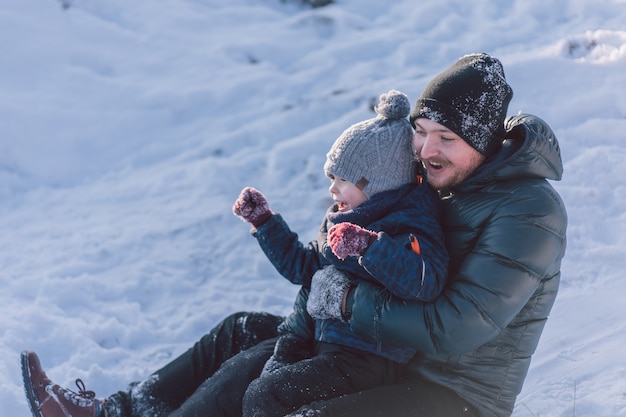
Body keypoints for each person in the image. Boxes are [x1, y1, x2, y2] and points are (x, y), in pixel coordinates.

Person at [21, 52, 567, 417]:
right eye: (421, 133)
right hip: (385, 351)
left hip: (451, 394)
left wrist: (347, 299)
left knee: (287, 402)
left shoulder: (530, 214)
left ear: (483, 141)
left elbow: (456, 328)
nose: (426, 151)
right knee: (242, 335)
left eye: (445, 137)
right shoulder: (438, 181)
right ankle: (120, 411)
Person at [232, 89, 448, 416]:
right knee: (258, 380)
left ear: (377, 184)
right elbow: (305, 268)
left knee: (267, 395)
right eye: (331, 177)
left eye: (343, 179)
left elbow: (425, 280)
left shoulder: (410, 223)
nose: (332, 188)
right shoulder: (347, 216)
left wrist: (369, 247)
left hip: (370, 357)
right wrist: (265, 223)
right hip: (329, 345)